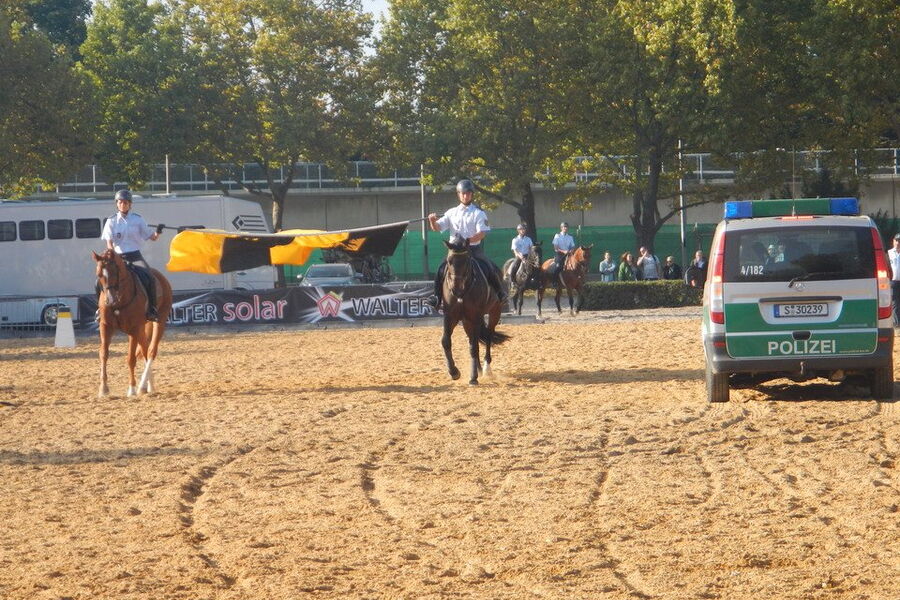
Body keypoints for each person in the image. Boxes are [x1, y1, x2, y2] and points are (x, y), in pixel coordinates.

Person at [425, 179, 507, 309]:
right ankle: (436, 297)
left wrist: (467, 241)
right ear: (458, 194)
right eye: (463, 193)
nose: (465, 196)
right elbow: (437, 228)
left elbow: (482, 233)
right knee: (441, 269)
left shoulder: (478, 213)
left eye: (468, 193)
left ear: (472, 194)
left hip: (473, 249)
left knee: (489, 267)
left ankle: (500, 294)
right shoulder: (451, 212)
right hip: (454, 252)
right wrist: (432, 221)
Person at [100, 189, 164, 321]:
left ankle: (152, 309)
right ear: (117, 204)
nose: (122, 205)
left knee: (150, 278)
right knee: (100, 279)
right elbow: (109, 243)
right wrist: (113, 256)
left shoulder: (137, 219)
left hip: (135, 256)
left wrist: (158, 231)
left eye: (125, 202)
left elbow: (153, 238)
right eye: (120, 202)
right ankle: (99, 309)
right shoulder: (111, 221)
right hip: (118, 257)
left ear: (130, 204)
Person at [888, 234, 900, 326]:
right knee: (895, 303)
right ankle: (897, 324)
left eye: (899, 241)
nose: (898, 243)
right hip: (893, 282)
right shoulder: (889, 253)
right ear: (893, 241)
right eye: (896, 240)